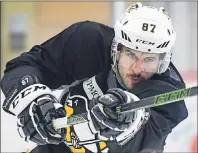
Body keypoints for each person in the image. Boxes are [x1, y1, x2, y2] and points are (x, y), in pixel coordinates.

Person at [1, 3, 188, 153]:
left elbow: (141, 142)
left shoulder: (169, 94)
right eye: (131, 55)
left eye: (149, 59)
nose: (138, 68)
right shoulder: (89, 43)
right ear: (116, 50)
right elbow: (25, 66)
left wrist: (128, 122)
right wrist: (33, 100)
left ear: (163, 61)